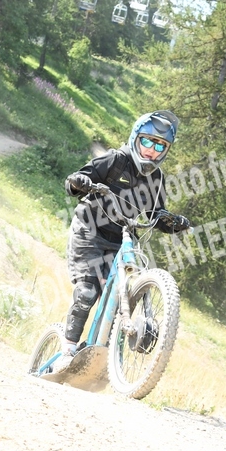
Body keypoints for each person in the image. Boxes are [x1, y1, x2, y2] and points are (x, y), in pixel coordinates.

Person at [53, 110, 191, 373]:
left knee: (121, 300)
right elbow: (74, 182)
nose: (151, 150)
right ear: (136, 138)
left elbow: (156, 215)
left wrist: (174, 223)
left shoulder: (157, 179)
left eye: (160, 146)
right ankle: (66, 352)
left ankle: (100, 357)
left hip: (122, 239)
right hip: (90, 232)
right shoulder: (115, 160)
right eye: (147, 142)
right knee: (87, 292)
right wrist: (80, 182)